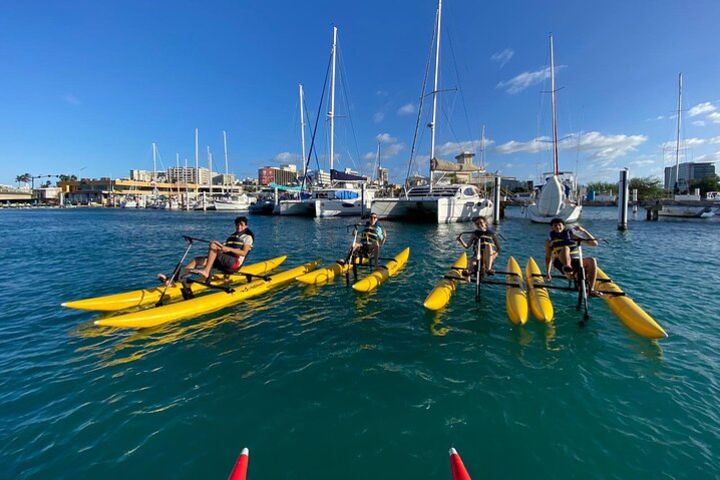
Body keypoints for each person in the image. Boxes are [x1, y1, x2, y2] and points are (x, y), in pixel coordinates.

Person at [159, 216, 254, 285]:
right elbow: (224, 249)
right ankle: (173, 280)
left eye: (241, 225)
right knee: (197, 260)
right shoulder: (232, 236)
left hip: (234, 263)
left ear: (246, 226)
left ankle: (206, 271)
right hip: (225, 260)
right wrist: (220, 246)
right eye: (237, 225)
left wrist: (226, 248)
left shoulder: (247, 237)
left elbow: (244, 253)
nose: (239, 227)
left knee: (213, 245)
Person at [544, 218, 603, 297]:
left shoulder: (573, 236)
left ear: (564, 226)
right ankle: (568, 268)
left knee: (592, 260)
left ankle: (590, 290)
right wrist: (548, 273)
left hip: (575, 262)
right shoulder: (549, 241)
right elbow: (548, 257)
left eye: (559, 225)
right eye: (555, 225)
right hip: (560, 263)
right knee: (566, 248)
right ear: (552, 227)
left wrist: (583, 231)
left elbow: (594, 243)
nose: (558, 227)